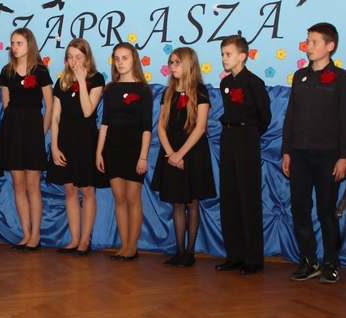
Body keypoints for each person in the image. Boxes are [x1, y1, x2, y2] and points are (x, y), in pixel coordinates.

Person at [281, 24, 346, 284]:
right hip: (299, 153)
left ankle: (331, 262)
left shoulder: (341, 78)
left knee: (326, 211)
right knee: (300, 208)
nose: (309, 47)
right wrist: (286, 151)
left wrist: (343, 156)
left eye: (315, 42)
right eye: (308, 41)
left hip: (328, 155)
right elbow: (290, 116)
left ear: (330, 46)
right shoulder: (300, 76)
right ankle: (308, 260)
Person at [150, 47, 216, 268]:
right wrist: (171, 153)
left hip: (192, 151)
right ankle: (179, 251)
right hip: (172, 150)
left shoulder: (200, 91)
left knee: (192, 202)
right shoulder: (168, 92)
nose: (172, 66)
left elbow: (200, 127)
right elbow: (161, 127)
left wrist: (180, 154)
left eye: (177, 62)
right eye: (171, 62)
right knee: (177, 203)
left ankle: (190, 252)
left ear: (189, 64)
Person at [216, 35, 271, 275]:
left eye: (228, 54)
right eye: (222, 54)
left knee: (248, 196)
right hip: (228, 137)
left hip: (247, 137)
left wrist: (250, 132)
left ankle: (253, 258)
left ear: (242, 56)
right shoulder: (225, 83)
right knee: (229, 196)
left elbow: (264, 116)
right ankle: (235, 255)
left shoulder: (254, 83)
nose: (224, 58)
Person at [47, 38, 106, 256]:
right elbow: (55, 117)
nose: (74, 61)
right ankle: (73, 238)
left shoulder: (96, 79)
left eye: (78, 57)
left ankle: (84, 240)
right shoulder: (61, 81)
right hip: (65, 138)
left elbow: (88, 111)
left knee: (87, 190)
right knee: (70, 190)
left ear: (87, 57)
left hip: (85, 138)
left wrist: (81, 81)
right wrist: (54, 146)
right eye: (70, 57)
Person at [0, 28, 53, 251]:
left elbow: (49, 107)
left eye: (19, 43)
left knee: (32, 185)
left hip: (33, 129)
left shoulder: (40, 71)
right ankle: (26, 233)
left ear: (29, 44)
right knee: (18, 184)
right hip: (13, 129)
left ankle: (36, 234)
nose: (15, 47)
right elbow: (6, 104)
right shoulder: (7, 71)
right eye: (12, 43)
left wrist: (41, 133)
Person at [97, 42, 153, 261]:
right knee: (119, 197)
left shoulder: (143, 90)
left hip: (134, 148)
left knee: (132, 197)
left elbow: (146, 127)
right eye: (117, 58)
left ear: (134, 60)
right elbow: (105, 123)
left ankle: (132, 247)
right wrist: (99, 152)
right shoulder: (110, 89)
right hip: (112, 147)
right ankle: (123, 245)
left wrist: (143, 156)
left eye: (125, 58)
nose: (120, 62)